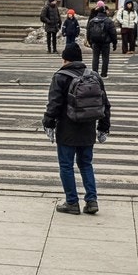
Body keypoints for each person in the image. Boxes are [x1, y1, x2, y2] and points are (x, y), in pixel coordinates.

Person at [43, 42, 111, 215]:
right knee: (86, 164)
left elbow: (54, 104)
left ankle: (72, 202)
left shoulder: (61, 76)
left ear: (65, 59)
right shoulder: (94, 76)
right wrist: (104, 126)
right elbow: (105, 104)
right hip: (88, 127)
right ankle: (91, 200)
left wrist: (48, 122)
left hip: (67, 129)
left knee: (66, 165)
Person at [85, 1, 115, 78]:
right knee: (105, 58)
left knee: (95, 57)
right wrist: (114, 43)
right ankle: (104, 74)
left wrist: (90, 41)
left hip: (95, 41)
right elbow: (113, 33)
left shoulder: (92, 20)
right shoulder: (108, 21)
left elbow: (89, 31)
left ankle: (95, 73)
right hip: (105, 42)